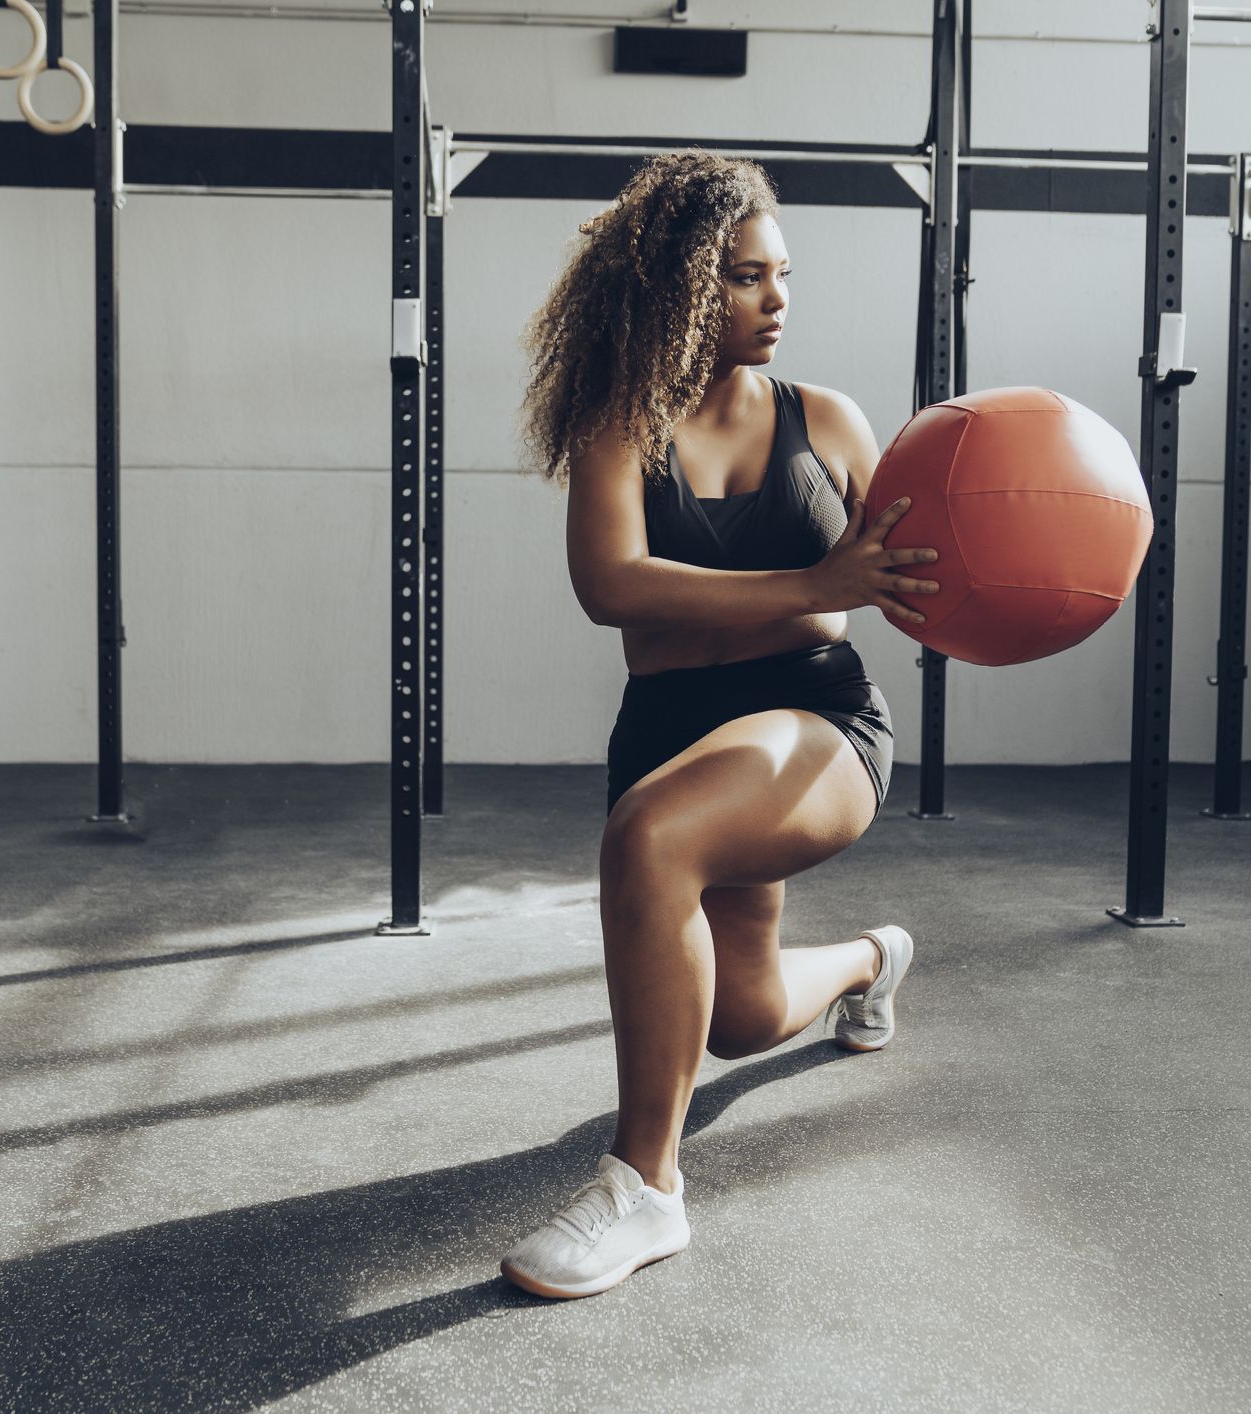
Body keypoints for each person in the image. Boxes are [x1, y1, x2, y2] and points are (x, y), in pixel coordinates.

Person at [498, 152, 942, 1300]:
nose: (778, 298)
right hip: (673, 730)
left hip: (815, 720)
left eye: (783, 275)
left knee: (650, 838)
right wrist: (820, 572)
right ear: (682, 288)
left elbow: (923, 568)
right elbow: (615, 586)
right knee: (740, 1016)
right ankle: (871, 961)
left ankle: (645, 1187)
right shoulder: (616, 426)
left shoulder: (831, 423)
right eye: (747, 277)